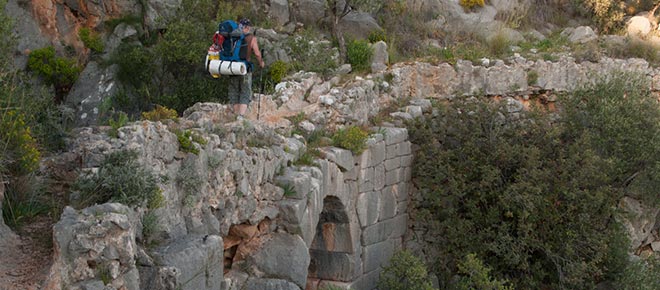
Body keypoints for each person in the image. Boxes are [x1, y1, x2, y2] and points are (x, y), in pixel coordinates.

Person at [228, 18, 265, 121]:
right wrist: (261, 62)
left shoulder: (233, 36)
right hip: (244, 68)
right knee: (245, 91)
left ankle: (235, 115)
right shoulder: (251, 38)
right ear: (248, 27)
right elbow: (257, 53)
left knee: (234, 90)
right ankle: (241, 116)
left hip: (232, 67)